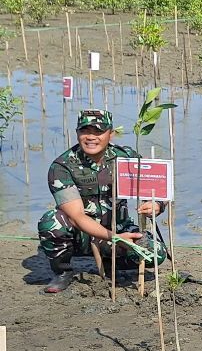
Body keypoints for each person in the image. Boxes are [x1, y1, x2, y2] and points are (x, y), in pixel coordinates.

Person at [38, 109, 166, 293]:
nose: (91, 137)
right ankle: (63, 272)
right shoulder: (62, 167)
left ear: (111, 134)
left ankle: (109, 261)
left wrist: (157, 205)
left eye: (98, 131)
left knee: (156, 254)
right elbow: (76, 217)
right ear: (77, 133)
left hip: (120, 229)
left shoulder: (126, 156)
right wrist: (115, 238)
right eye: (85, 131)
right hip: (81, 235)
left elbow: (158, 186)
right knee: (51, 221)